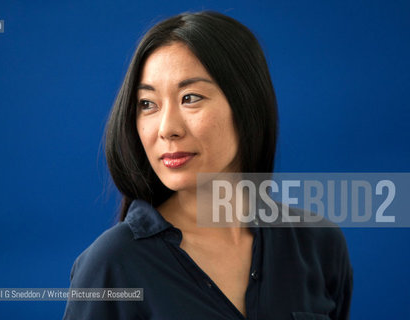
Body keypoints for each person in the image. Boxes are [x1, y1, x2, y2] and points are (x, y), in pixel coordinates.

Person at [62, 11, 353, 320]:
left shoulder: (317, 244)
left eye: (190, 98)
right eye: (147, 104)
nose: (167, 128)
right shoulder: (112, 265)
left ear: (246, 105)